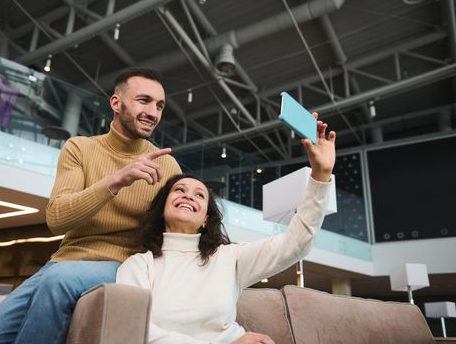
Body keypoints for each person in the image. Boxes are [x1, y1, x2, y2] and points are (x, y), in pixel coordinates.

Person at [0, 67, 182, 344]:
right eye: (144, 101)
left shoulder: (166, 164)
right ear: (116, 103)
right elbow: (57, 218)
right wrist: (115, 181)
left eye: (159, 105)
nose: (153, 113)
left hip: (123, 264)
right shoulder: (79, 148)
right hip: (61, 263)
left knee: (59, 279)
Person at [116, 114, 335, 344]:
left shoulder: (229, 258)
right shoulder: (139, 265)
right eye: (179, 190)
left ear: (205, 219)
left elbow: (296, 243)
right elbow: (133, 329)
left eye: (199, 195)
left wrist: (320, 175)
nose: (188, 195)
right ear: (162, 209)